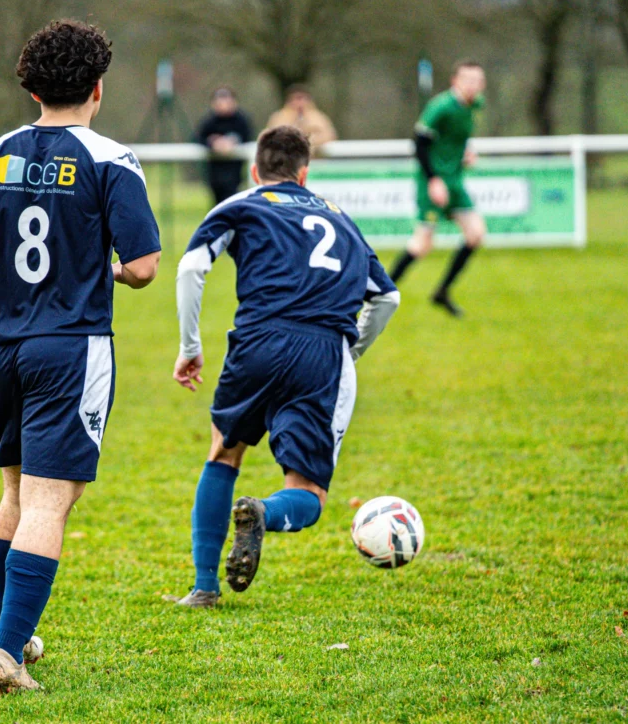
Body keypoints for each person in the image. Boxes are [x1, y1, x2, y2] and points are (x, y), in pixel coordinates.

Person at [0, 20, 161, 693]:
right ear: (97, 88)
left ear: (32, 88)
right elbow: (143, 267)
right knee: (51, 499)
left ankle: (10, 635)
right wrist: (108, 268)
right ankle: (7, 654)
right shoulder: (111, 159)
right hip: (70, 348)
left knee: (17, 490)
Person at [164, 126, 399, 607]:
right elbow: (387, 297)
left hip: (256, 342)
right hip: (322, 351)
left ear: (256, 170)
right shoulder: (341, 218)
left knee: (223, 452)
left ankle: (204, 586)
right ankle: (265, 512)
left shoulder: (240, 204)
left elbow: (190, 267)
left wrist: (190, 346)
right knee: (309, 492)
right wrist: (349, 351)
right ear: (304, 174)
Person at [388, 60, 488, 318]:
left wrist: (466, 153)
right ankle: (380, 294)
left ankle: (442, 292)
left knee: (475, 234)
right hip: (433, 183)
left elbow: (455, 139)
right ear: (455, 81)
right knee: (422, 244)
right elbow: (419, 144)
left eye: (477, 80)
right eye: (467, 79)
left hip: (455, 182)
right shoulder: (441, 106)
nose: (472, 85)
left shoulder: (475, 105)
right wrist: (433, 179)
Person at [194, 86, 252, 205]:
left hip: (234, 173)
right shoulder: (209, 121)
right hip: (215, 174)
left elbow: (247, 136)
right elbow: (198, 138)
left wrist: (233, 142)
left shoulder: (241, 120)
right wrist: (213, 142)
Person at [265, 84, 337, 153]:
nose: (299, 103)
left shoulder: (319, 117)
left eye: (303, 99)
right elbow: (270, 137)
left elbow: (329, 136)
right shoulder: (279, 117)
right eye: (296, 99)